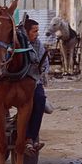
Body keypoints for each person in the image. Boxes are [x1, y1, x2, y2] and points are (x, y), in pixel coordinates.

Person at [24, 18, 49, 155]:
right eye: (35, 31)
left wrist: (40, 71)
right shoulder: (19, 45)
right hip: (19, 82)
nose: (37, 34)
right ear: (26, 32)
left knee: (40, 100)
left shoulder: (38, 44)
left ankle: (30, 138)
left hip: (34, 81)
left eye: (37, 31)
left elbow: (45, 64)